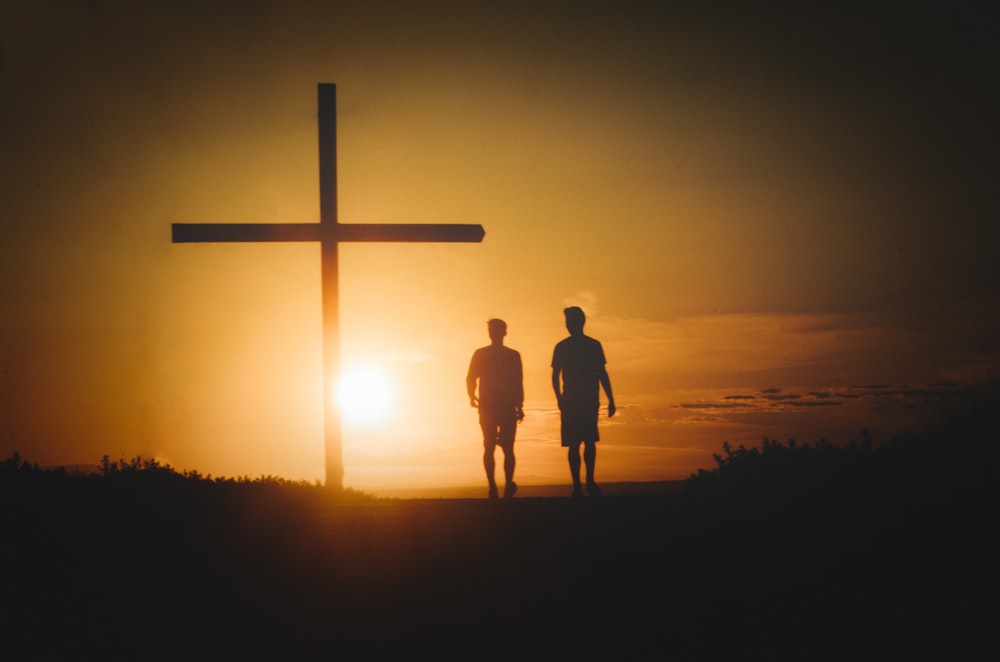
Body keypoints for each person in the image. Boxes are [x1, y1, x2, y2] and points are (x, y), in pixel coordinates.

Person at [551, 306, 616, 497]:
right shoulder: (563, 346)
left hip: (586, 400)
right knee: (574, 443)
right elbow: (555, 375)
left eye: (571, 321)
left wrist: (611, 399)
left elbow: (602, 373)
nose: (569, 325)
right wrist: (559, 398)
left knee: (587, 441)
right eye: (568, 322)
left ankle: (588, 481)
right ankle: (579, 484)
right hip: (572, 400)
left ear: (580, 322)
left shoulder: (592, 345)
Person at [467, 318, 524, 499]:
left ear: (492, 333)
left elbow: (470, 379)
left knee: (489, 446)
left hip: (488, 405)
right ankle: (506, 486)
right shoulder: (512, 355)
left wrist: (472, 397)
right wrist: (519, 404)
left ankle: (493, 487)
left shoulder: (481, 354)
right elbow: (518, 382)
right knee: (507, 447)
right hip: (504, 405)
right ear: (504, 333)